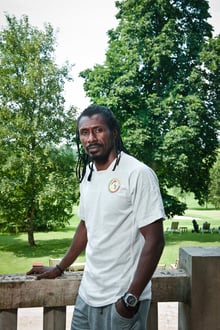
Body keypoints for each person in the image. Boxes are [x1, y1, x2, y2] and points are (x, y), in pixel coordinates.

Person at [27, 105, 165, 330]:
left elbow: (155, 240)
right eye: (84, 132)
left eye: (98, 130)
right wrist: (60, 267)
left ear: (114, 132)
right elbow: (85, 226)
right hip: (87, 295)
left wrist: (130, 299)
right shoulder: (88, 175)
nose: (91, 138)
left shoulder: (137, 173)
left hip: (121, 300)